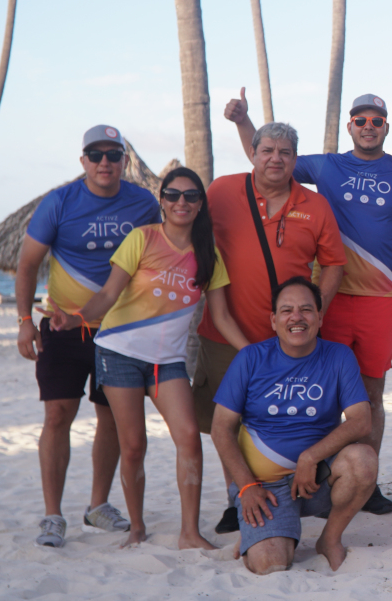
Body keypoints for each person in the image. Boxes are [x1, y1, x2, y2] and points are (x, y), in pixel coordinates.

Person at [226, 91, 392, 515]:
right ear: (350, 126)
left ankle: (367, 483)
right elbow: (269, 158)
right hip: (330, 300)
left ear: (386, 127)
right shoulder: (326, 165)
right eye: (360, 120)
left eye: (376, 121)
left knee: (372, 394)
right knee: (323, 391)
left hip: (380, 299)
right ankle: (314, 476)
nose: (368, 127)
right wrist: (243, 122)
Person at [49, 167, 251, 550]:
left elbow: (222, 317)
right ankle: (137, 529)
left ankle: (189, 534)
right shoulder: (141, 239)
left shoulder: (208, 254)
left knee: (189, 438)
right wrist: (76, 318)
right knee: (133, 445)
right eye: (173, 195)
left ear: (200, 204)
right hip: (119, 353)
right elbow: (108, 295)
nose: (181, 202)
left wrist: (254, 352)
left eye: (191, 195)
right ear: (162, 200)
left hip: (168, 362)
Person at [193, 121, 346, 534]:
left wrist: (315, 312)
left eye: (285, 152)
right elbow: (191, 236)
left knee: (282, 416)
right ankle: (237, 497)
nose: (276, 158)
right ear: (253, 153)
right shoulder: (221, 191)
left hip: (290, 339)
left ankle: (293, 492)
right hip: (224, 334)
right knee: (227, 421)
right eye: (268, 151)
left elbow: (334, 263)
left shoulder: (315, 205)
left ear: (295, 159)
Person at [15, 124, 160, 547]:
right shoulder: (59, 202)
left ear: (125, 161)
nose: (104, 162)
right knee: (58, 416)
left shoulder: (144, 202)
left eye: (113, 154)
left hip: (120, 331)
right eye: (95, 155)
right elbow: (27, 264)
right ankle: (52, 515)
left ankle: (98, 506)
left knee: (110, 417)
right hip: (63, 328)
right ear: (83, 160)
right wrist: (24, 321)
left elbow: (161, 255)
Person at [211, 276, 378, 573]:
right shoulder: (250, 358)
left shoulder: (339, 356)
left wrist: (310, 457)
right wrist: (247, 486)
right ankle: (261, 534)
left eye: (306, 309)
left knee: (363, 460)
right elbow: (220, 428)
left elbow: (361, 421)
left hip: (317, 477)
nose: (296, 317)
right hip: (265, 486)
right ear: (274, 320)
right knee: (269, 564)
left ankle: (329, 539)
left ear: (320, 317)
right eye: (286, 310)